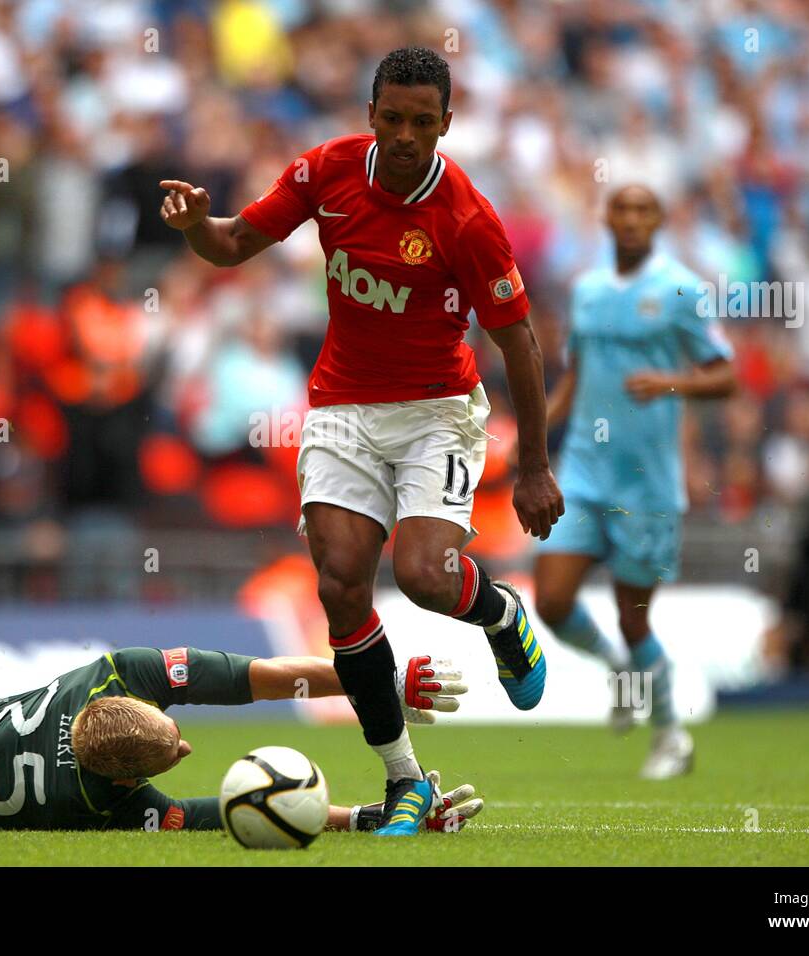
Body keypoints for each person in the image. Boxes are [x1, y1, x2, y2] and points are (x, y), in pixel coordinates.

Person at [159, 46, 563, 835]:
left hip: (436, 410)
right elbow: (235, 243)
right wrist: (193, 228)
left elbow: (521, 345)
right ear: (370, 115)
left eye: (423, 121)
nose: (406, 134)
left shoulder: (469, 221)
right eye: (392, 118)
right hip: (342, 409)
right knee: (341, 585)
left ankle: (500, 615)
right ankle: (406, 779)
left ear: (448, 124)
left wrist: (537, 470)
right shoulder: (326, 173)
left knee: (422, 576)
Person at [0, 489, 484, 834]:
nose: (180, 745)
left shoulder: (117, 674)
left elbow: (261, 688)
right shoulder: (102, 798)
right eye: (172, 749)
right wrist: (362, 813)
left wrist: (384, 682)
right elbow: (231, 801)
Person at [536, 185, 736, 779]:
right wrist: (530, 434)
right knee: (550, 599)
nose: (629, 219)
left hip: (646, 484)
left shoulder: (681, 290)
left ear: (659, 220)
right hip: (582, 471)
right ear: (605, 218)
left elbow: (725, 378)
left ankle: (671, 735)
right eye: (620, 209)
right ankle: (618, 668)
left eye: (642, 209)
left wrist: (671, 382)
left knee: (634, 616)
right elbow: (575, 378)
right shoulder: (588, 291)